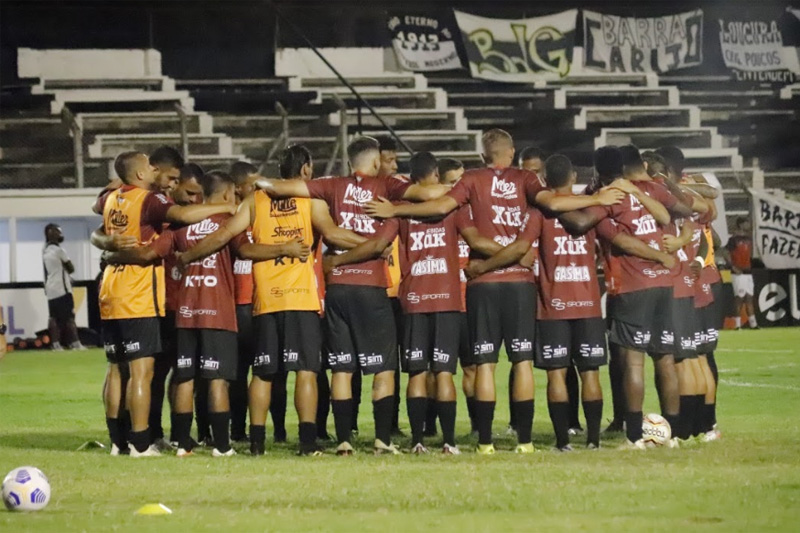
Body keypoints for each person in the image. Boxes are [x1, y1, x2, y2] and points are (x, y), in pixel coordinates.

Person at [364, 129, 625, 454]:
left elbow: (441, 206)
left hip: (483, 285)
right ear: (511, 151)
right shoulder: (525, 179)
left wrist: (396, 210)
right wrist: (597, 199)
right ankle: (525, 442)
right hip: (519, 282)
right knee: (522, 362)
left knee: (485, 364)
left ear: (482, 155)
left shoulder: (472, 179)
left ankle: (485, 442)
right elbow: (554, 202)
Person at [253, 136, 454, 455]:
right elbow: (431, 193)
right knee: (383, 368)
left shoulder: (331, 184)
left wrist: (258, 180)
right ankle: (382, 440)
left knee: (342, 368)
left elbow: (278, 187)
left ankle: (344, 440)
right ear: (375, 162)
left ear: (350, 161)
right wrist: (397, 209)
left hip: (337, 290)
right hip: (371, 288)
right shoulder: (387, 185)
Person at [176, 144, 366, 456]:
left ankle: (256, 443)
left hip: (265, 299)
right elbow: (333, 235)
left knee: (263, 372)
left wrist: (187, 256)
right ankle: (307, 443)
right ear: (305, 169)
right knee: (306, 370)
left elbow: (225, 236)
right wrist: (373, 243)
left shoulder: (255, 200)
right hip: (301, 297)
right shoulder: (311, 200)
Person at [324, 152, 499, 454]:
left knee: (417, 372)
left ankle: (417, 440)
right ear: (435, 175)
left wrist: (337, 261)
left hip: (414, 298)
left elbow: (378, 245)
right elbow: (473, 239)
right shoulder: (453, 208)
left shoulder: (399, 211)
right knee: (444, 372)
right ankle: (449, 442)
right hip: (446, 298)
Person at [91, 151, 234, 457]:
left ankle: (121, 441)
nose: (165, 179)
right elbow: (167, 231)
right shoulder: (152, 202)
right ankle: (141, 442)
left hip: (113, 290)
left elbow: (98, 214)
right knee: (144, 372)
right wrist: (227, 206)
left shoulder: (115, 197)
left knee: (120, 369)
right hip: (142, 296)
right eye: (168, 177)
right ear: (145, 173)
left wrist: (106, 246)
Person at [467, 154, 608, 450]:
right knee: (590, 373)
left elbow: (521, 247)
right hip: (588, 303)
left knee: (556, 375)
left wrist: (483, 266)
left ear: (544, 180)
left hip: (553, 304)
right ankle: (593, 440)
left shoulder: (539, 213)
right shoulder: (592, 209)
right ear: (573, 177)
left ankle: (562, 442)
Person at [558, 146, 681, 449]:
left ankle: (635, 436)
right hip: (663, 284)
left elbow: (607, 233)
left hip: (632, 285)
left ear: (598, 171)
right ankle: (673, 435)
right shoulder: (652, 189)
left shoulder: (609, 197)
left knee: (633, 362)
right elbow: (681, 211)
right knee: (665, 360)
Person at [375, 134, 405, 437]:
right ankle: (350, 425)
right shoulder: (355, 198)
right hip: (373, 288)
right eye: (389, 160)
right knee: (351, 363)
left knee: (397, 361)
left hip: (400, 291)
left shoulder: (401, 195)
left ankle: (393, 424)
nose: (395, 166)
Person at [229, 162, 259, 444]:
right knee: (237, 373)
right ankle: (237, 430)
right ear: (238, 188)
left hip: (261, 303)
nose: (259, 188)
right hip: (237, 306)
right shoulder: (229, 219)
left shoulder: (262, 214)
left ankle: (276, 430)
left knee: (267, 371)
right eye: (253, 184)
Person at [42, 223, 84, 351]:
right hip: (62, 289)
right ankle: (75, 343)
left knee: (53, 317)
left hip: (51, 289)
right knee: (69, 317)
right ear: (51, 233)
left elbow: (46, 272)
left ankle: (55, 344)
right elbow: (71, 269)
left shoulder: (45, 251)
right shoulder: (59, 251)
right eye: (58, 232)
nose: (60, 234)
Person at [726, 217, 758, 330]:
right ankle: (737, 325)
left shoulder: (749, 239)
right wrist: (733, 267)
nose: (748, 225)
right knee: (739, 298)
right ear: (740, 225)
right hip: (738, 273)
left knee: (749, 297)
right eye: (746, 223)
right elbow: (726, 253)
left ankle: (753, 324)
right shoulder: (733, 239)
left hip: (748, 272)